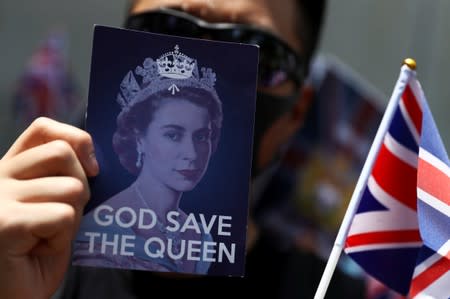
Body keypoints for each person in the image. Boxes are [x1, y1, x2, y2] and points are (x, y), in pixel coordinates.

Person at [0, 0, 364, 298]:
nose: (191, 152)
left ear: (298, 111)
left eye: (256, 52)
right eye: (163, 29)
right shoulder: (33, 254)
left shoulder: (332, 292)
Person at [72, 49, 223, 274]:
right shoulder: (101, 229)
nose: (192, 153)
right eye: (173, 135)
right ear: (138, 138)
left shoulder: (201, 236)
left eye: (201, 136)